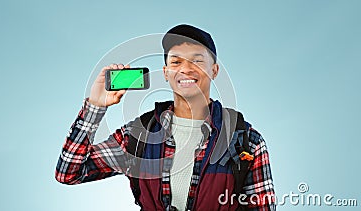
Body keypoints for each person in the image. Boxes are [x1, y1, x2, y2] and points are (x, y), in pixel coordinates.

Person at [55, 24, 276, 211]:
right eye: (176, 62)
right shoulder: (138, 136)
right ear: (165, 72)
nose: (186, 69)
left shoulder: (246, 141)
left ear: (215, 70)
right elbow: (69, 173)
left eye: (197, 61)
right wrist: (95, 106)